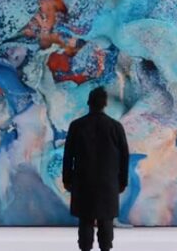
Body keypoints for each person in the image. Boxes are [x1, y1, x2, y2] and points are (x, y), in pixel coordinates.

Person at [62, 87, 130, 251]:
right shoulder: (115, 127)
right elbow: (124, 157)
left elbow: (68, 156)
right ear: (105, 103)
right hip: (108, 183)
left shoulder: (77, 126)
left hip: (83, 182)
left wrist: (67, 180)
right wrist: (122, 181)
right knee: (106, 221)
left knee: (85, 221)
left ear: (89, 102)